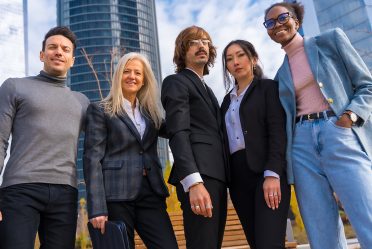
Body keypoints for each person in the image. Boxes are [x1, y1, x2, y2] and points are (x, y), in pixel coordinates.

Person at [264, 2, 372, 249]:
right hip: (300, 147)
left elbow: (367, 85)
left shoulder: (330, 41)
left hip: (338, 131)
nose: (277, 25)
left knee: (366, 213)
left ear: (296, 21)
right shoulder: (280, 75)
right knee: (320, 231)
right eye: (270, 23)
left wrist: (349, 117)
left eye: (282, 17)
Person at [0, 26, 89, 249]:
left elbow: (104, 144)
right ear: (42, 55)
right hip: (20, 189)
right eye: (53, 47)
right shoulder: (15, 87)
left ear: (72, 59)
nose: (59, 52)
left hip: (65, 193)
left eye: (65, 49)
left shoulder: (82, 102)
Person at [83, 52, 178, 249]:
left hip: (151, 192)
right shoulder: (101, 110)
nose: (132, 76)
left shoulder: (150, 114)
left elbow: (175, 129)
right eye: (126, 71)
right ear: (119, 76)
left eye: (137, 73)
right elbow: (92, 159)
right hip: (115, 195)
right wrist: (97, 208)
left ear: (144, 80)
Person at [161, 25, 228, 249]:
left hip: (217, 176)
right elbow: (178, 132)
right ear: (182, 50)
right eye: (194, 42)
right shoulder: (176, 82)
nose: (202, 46)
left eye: (206, 42)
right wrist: (193, 182)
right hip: (199, 177)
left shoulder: (207, 89)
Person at [220, 40, 290, 249]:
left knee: (270, 243)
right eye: (229, 59)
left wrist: (272, 173)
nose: (236, 62)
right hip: (238, 178)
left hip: (266, 173)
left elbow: (278, 132)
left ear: (253, 58)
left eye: (240, 55)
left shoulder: (268, 88)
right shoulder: (226, 101)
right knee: (255, 243)